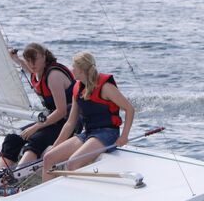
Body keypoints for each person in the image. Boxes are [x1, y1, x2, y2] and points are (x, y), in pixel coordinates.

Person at [42, 52, 135, 181]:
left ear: (81, 70)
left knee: (72, 163)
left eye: (73, 67)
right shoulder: (77, 87)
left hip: (107, 133)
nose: (71, 70)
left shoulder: (105, 87)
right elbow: (70, 122)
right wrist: (56, 145)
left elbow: (129, 109)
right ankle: (47, 195)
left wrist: (124, 136)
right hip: (88, 133)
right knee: (49, 157)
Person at [0, 43, 75, 171]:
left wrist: (36, 127)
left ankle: (17, 176)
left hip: (69, 121)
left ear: (44, 57)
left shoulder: (53, 76)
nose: (32, 64)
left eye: (35, 59)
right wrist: (15, 59)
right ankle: (0, 175)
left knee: (36, 140)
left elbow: (61, 111)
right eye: (29, 60)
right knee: (12, 138)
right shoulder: (36, 71)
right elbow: (25, 65)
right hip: (51, 120)